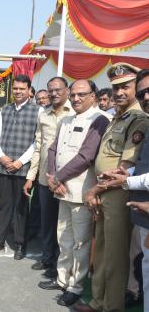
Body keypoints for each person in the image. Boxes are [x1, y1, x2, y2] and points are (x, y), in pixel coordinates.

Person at [76, 63, 149, 312]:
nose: (118, 92)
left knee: (115, 256)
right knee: (104, 251)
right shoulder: (118, 116)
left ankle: (111, 306)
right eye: (115, 87)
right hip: (105, 192)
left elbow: (124, 167)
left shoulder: (138, 118)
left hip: (118, 194)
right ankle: (98, 301)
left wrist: (95, 190)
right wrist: (97, 190)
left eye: (125, 87)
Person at [38, 79, 110, 307]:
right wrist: (51, 176)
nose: (76, 99)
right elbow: (52, 149)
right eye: (74, 95)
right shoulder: (67, 119)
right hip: (61, 191)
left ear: (93, 95)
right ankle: (62, 279)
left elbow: (86, 157)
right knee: (64, 238)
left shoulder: (100, 120)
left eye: (82, 94)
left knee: (80, 242)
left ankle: (75, 286)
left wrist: (57, 178)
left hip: (81, 193)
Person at [0, 74, 42, 259]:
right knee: (4, 205)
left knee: (20, 208)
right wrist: (1, 157)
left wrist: (20, 161)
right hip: (2, 166)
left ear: (29, 90)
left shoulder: (39, 111)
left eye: (21, 89)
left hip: (23, 169)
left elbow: (37, 141)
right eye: (15, 88)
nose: (18, 91)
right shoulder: (5, 109)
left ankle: (19, 244)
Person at [24, 77, 74, 278]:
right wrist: (31, 176)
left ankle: (61, 265)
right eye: (50, 90)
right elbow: (38, 147)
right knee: (47, 221)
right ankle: (47, 258)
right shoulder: (43, 115)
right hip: (45, 178)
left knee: (63, 226)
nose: (53, 94)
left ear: (67, 91)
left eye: (57, 90)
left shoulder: (74, 114)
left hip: (67, 180)